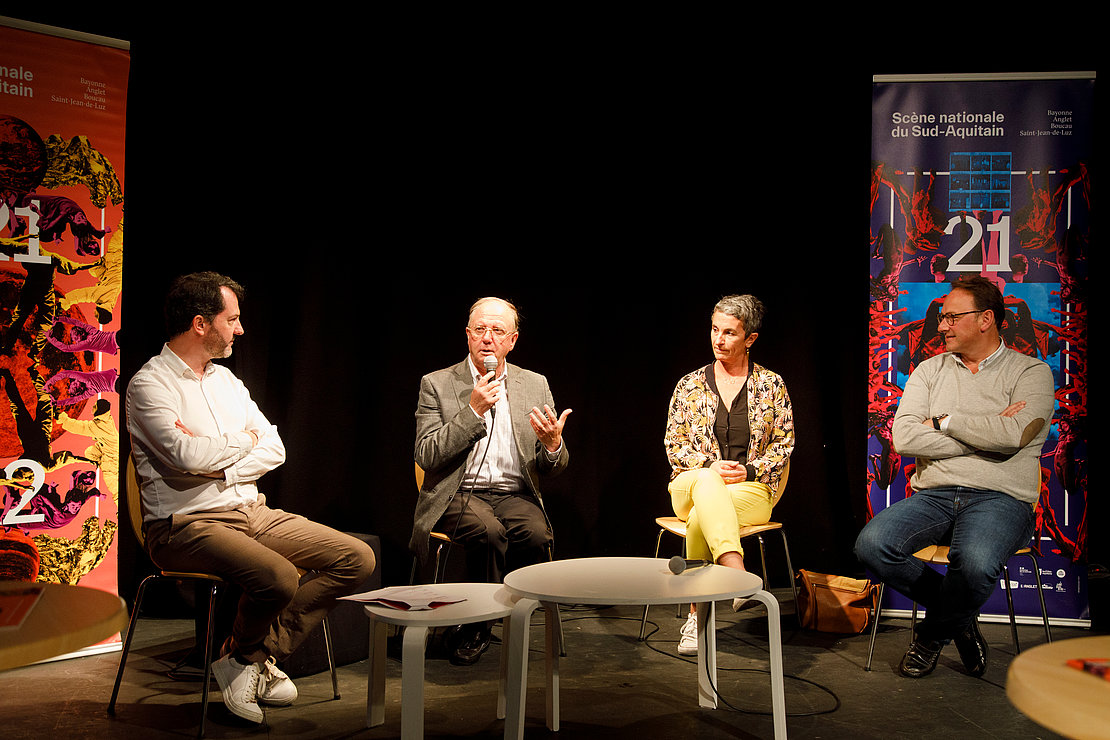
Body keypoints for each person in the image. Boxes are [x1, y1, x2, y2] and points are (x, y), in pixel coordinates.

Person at [126, 272, 376, 723]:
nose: (239, 330)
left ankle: (245, 659)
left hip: (251, 511)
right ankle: (248, 661)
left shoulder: (226, 381)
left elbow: (275, 447)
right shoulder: (150, 385)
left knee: (356, 558)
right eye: (232, 319)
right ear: (201, 324)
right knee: (279, 577)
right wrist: (243, 441)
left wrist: (219, 457)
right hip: (184, 524)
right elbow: (184, 453)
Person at [854, 276, 1054, 678]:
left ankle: (931, 636)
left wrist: (945, 421)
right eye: (942, 317)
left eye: (951, 317)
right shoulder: (929, 371)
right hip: (936, 493)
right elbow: (905, 437)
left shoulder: (1032, 372)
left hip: (1002, 497)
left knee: (977, 564)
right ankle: (959, 617)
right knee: (871, 545)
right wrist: (986, 437)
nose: (941, 325)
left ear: (985, 319)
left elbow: (1016, 435)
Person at [411, 296, 571, 666]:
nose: (488, 338)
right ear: (468, 336)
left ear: (512, 341)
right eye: (480, 329)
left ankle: (521, 617)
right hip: (456, 493)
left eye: (497, 330)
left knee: (535, 533)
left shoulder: (534, 384)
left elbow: (553, 467)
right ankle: (478, 624)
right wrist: (472, 411)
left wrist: (552, 445)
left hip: (513, 493)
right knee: (488, 532)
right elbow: (427, 455)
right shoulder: (437, 384)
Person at [664, 295, 794, 655]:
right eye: (714, 330)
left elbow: (784, 444)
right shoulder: (689, 385)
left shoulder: (771, 385)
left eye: (730, 333)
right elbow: (674, 445)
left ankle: (695, 616)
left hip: (750, 489)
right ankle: (738, 576)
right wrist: (709, 467)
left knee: (701, 519)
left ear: (750, 339)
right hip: (690, 484)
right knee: (708, 483)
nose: (718, 340)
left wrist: (750, 469)